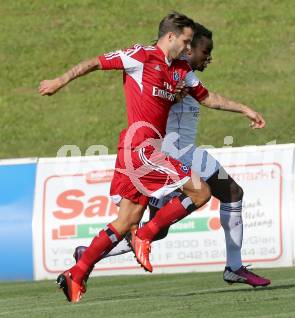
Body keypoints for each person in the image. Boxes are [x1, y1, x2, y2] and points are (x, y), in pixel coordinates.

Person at [39, 12, 265, 303]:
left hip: (146, 151)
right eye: (186, 41)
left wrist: (245, 109)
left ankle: (77, 271)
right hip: (144, 148)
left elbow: (207, 97)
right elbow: (95, 62)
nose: (188, 47)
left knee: (125, 221)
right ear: (171, 37)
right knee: (199, 193)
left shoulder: (180, 70)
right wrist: (60, 80)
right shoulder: (140, 56)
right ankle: (146, 236)